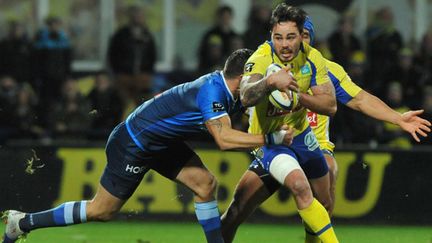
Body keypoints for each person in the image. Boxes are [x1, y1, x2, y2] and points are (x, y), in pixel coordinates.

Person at [2, 49, 295, 243]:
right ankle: (23, 222)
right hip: (134, 142)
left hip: (161, 141)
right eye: (254, 80)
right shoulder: (213, 91)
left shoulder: (227, 92)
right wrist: (271, 140)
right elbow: (224, 139)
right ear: (242, 78)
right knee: (102, 211)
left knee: (205, 184)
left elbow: (245, 113)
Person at [221, 15, 432, 243]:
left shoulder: (323, 68)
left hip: (313, 144)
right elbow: (244, 95)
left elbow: (359, 99)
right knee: (236, 211)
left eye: (304, 36)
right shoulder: (268, 65)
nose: (297, 42)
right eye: (292, 36)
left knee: (328, 173)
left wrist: (397, 118)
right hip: (274, 144)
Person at [224, 4, 339, 243]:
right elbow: (245, 95)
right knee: (298, 186)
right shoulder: (261, 59)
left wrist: (298, 96)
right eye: (278, 37)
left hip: (301, 137)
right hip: (271, 140)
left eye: (290, 37)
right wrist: (269, 83)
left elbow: (330, 105)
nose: (284, 44)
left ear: (301, 36)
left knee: (325, 202)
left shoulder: (312, 57)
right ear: (271, 36)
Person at [107, 5, 156, 105]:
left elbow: (152, 55)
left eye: (140, 16)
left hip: (142, 76)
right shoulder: (121, 35)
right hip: (124, 76)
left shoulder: (147, 36)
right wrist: (118, 72)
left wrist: (148, 72)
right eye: (135, 16)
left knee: (143, 105)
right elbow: (113, 54)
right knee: (122, 104)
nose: (138, 18)